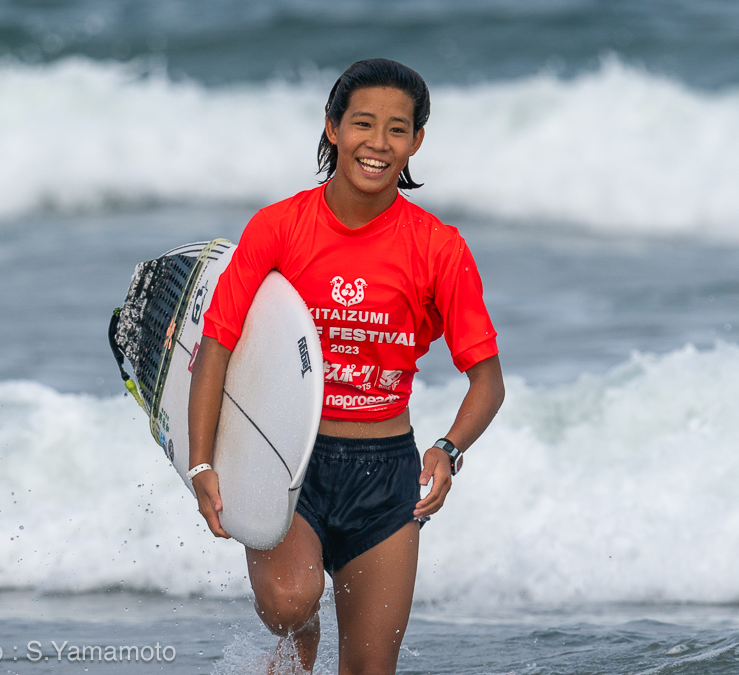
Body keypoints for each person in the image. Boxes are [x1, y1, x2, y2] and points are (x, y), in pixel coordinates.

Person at [187, 58, 504, 674]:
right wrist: (203, 460)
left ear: (415, 142)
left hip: (386, 477)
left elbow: (487, 382)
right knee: (288, 602)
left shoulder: (439, 246)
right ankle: (300, 629)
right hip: (288, 460)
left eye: (397, 129)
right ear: (332, 128)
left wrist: (449, 449)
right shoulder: (278, 228)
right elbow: (217, 345)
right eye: (363, 123)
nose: (378, 144)